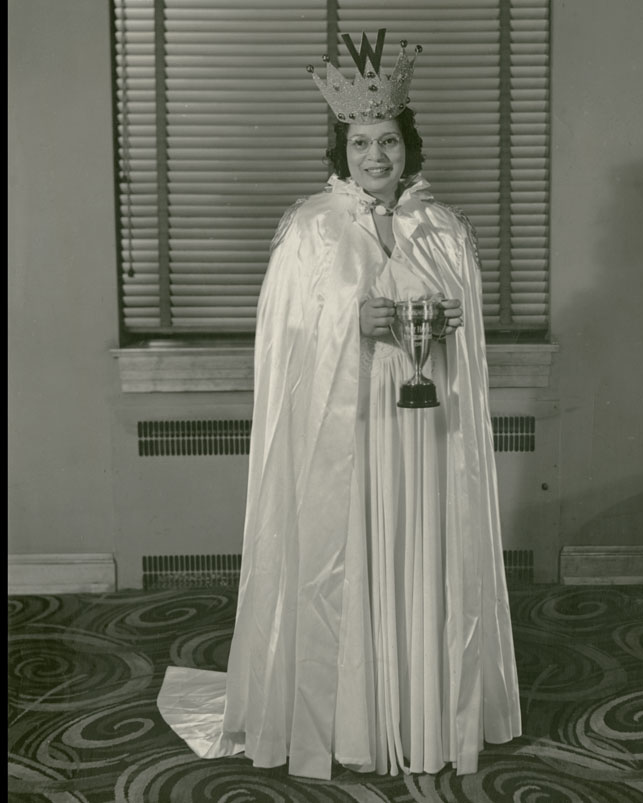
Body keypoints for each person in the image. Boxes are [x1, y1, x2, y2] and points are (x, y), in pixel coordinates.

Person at [157, 29, 522, 780]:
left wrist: (449, 328)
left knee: (419, 549)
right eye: (361, 143)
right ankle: (350, 715)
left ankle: (420, 706)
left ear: (407, 146)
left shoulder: (444, 230)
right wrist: (350, 322)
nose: (377, 157)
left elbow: (470, 338)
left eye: (388, 140)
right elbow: (284, 339)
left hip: (424, 432)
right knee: (344, 558)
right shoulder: (309, 232)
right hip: (347, 434)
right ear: (342, 151)